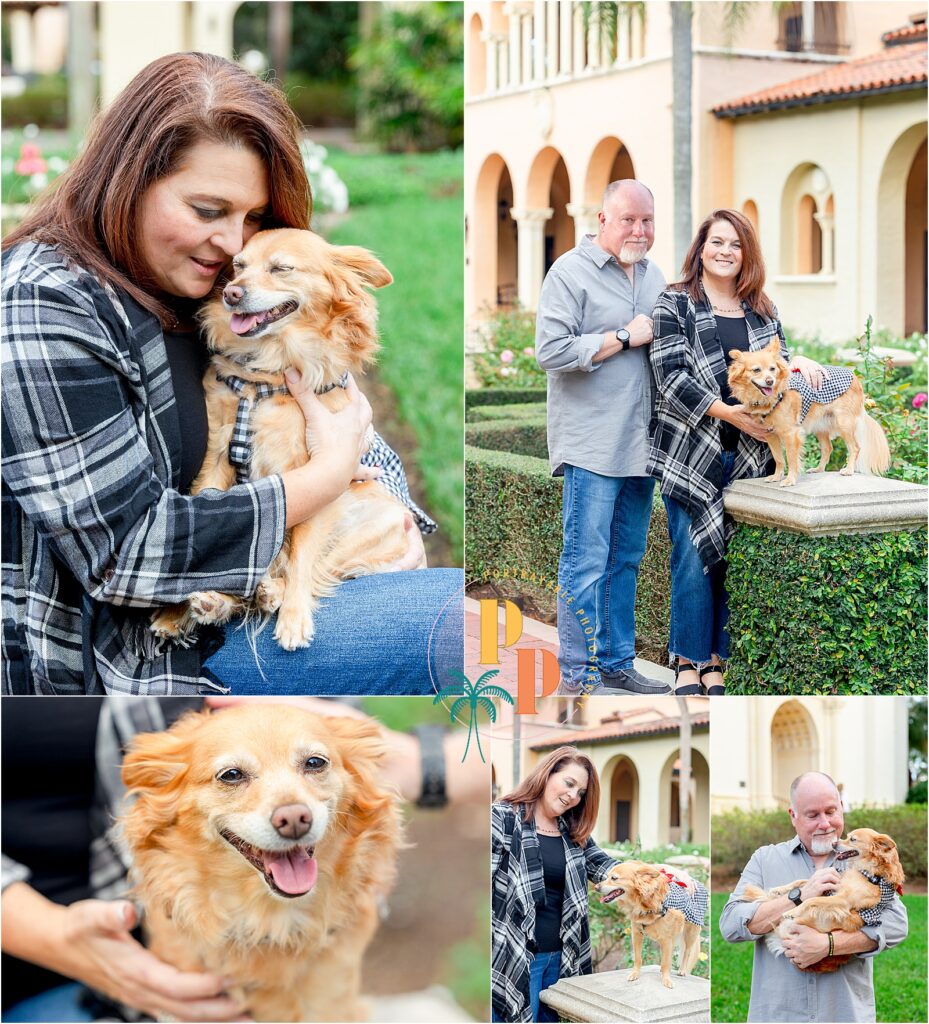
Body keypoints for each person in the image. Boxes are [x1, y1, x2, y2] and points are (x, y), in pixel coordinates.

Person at [1, 53, 461, 696]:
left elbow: (335, 411)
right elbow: (124, 553)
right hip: (135, 656)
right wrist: (324, 480)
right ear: (127, 179)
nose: (233, 246)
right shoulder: (44, 304)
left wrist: (390, 517)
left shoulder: (206, 290)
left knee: (480, 622)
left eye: (253, 218)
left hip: (254, 593)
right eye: (207, 209)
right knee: (480, 635)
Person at [0, 694, 483, 1022]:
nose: (291, 811)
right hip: (40, 968)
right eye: (232, 776)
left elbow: (375, 755)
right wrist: (50, 935)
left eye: (313, 764)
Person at [646, 209, 825, 695]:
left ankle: (716, 660)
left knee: (730, 557)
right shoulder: (675, 303)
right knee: (690, 556)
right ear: (701, 248)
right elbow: (669, 377)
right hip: (691, 451)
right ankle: (687, 660)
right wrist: (729, 414)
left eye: (736, 244)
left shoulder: (761, 310)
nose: (725, 251)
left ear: (747, 253)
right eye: (717, 242)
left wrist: (800, 363)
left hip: (751, 456)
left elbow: (779, 368)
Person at [535, 180, 670, 696]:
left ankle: (616, 663)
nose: (639, 230)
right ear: (603, 219)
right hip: (592, 444)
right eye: (629, 219)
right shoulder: (569, 272)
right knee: (585, 563)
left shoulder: (655, 276)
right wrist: (624, 336)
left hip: (641, 445)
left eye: (647, 220)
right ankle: (576, 674)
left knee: (626, 560)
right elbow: (551, 351)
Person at [719, 771, 908, 1023]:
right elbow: (730, 925)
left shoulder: (865, 860)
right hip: (779, 1016)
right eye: (813, 815)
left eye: (831, 811)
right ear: (793, 815)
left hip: (843, 1014)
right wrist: (799, 896)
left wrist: (829, 944)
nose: (825, 823)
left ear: (841, 807)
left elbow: (897, 924)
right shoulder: (765, 859)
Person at [491, 746, 615, 1023]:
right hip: (515, 958)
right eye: (569, 783)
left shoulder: (571, 831)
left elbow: (607, 867)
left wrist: (660, 875)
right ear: (546, 774)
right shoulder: (503, 818)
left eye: (580, 792)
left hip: (562, 961)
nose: (573, 796)